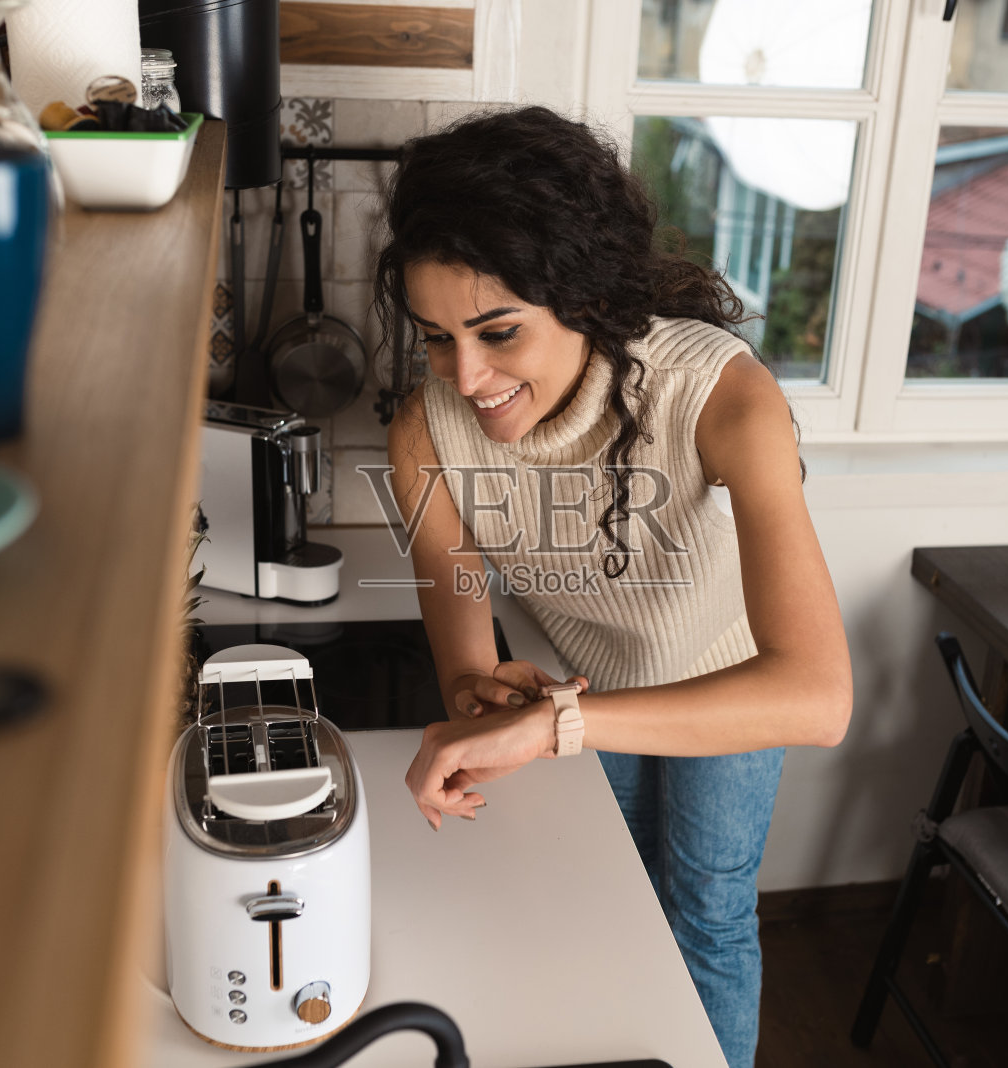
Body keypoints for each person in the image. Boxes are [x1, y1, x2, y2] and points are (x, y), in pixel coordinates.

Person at [372, 106, 852, 1068]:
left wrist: (552, 727)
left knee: (707, 911)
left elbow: (818, 696)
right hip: (581, 683)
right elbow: (468, 666)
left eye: (498, 332)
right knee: (607, 901)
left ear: (583, 297)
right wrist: (485, 706)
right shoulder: (426, 433)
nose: (465, 376)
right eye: (435, 339)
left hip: (730, 679)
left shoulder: (723, 397)